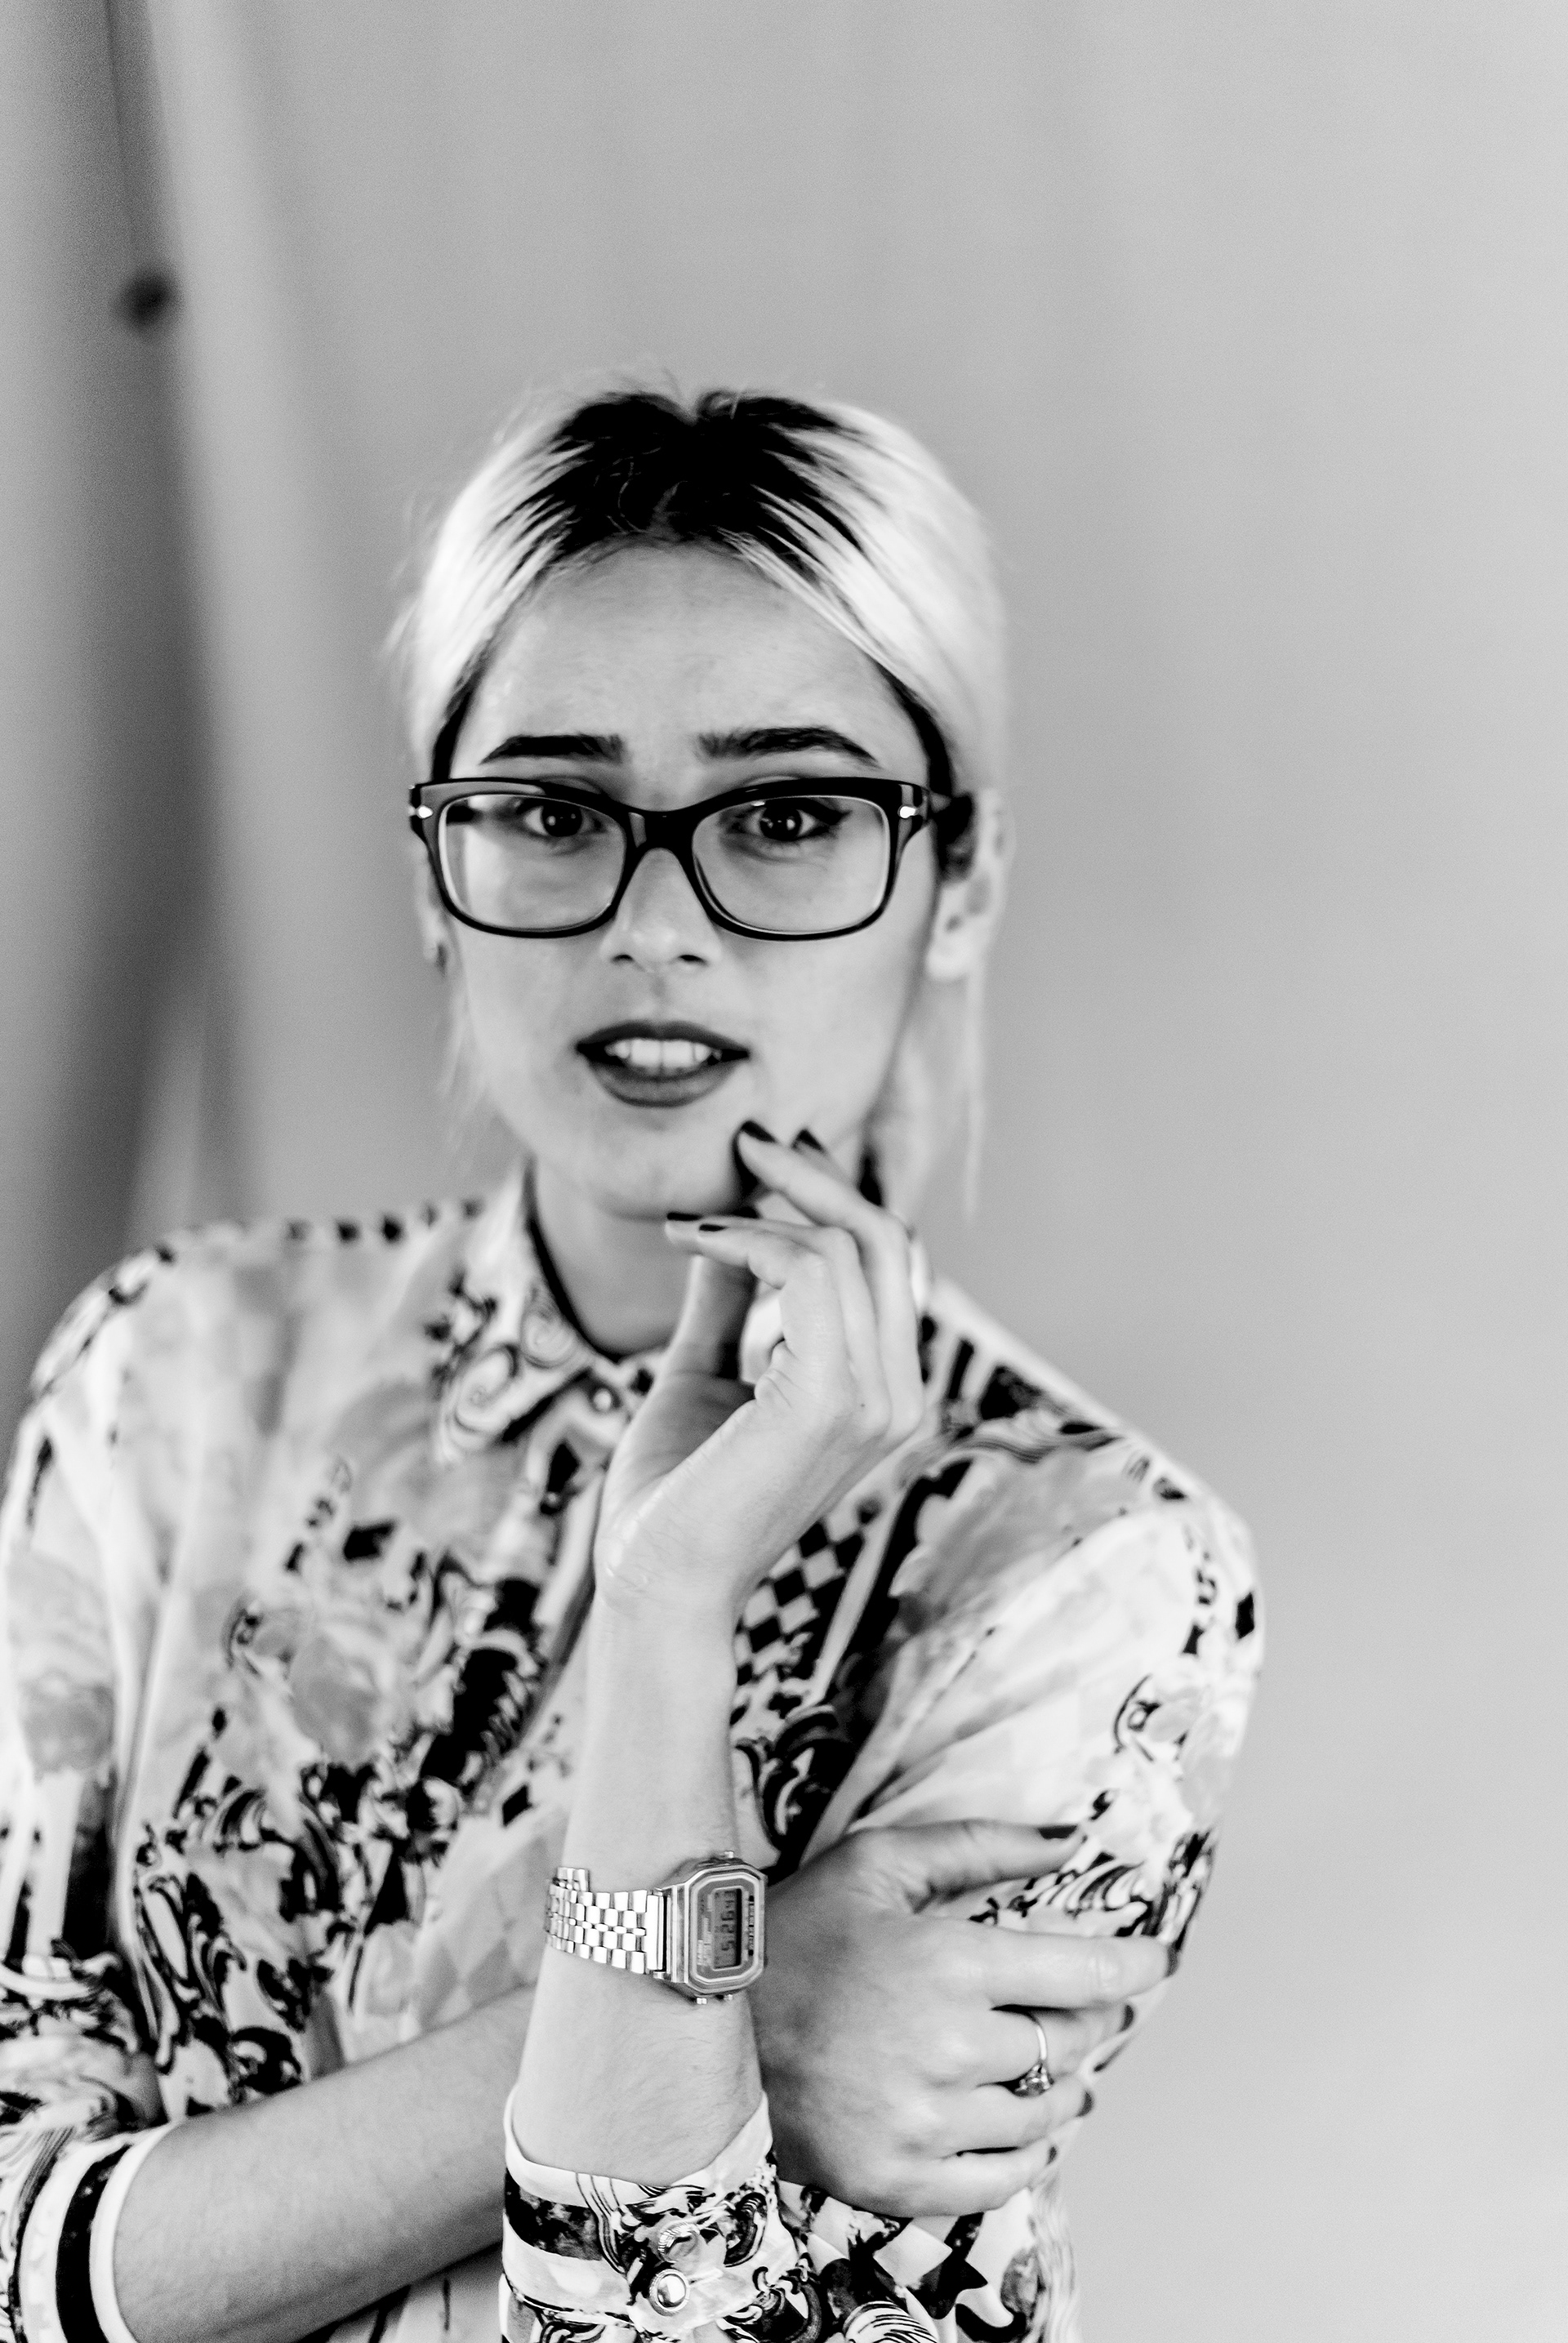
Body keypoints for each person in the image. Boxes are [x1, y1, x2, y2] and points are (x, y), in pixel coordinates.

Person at [0, 388, 1260, 2343]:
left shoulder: (1085, 1568)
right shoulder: (170, 1378)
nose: (658, 929)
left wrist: (671, 1613)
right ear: (437, 874)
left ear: (962, 879)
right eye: (551, 812)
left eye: (788, 816)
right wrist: (749, 2003)